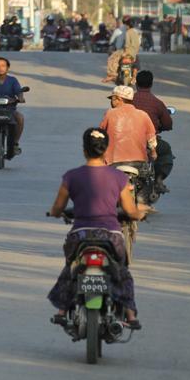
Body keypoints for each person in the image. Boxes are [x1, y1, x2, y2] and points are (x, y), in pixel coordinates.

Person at [47, 128, 145, 329]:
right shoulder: (119, 178)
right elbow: (130, 210)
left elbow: (58, 208)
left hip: (80, 235)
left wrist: (56, 213)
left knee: (71, 268)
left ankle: (62, 311)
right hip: (110, 235)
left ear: (84, 150)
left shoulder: (71, 177)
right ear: (105, 150)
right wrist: (141, 212)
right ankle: (130, 314)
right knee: (122, 271)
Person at [132, 71, 174, 193]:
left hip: (127, 140)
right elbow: (168, 124)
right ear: (151, 84)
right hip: (148, 142)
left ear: (136, 84)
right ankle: (158, 180)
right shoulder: (157, 103)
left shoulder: (128, 101)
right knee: (166, 150)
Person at [98, 85, 157, 166]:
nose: (111, 102)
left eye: (112, 99)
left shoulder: (110, 113)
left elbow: (100, 135)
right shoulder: (143, 115)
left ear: (119, 99)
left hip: (113, 161)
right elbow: (151, 139)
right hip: (139, 162)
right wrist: (153, 152)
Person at [104, 18, 141, 82]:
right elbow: (139, 43)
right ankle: (134, 75)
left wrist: (125, 53)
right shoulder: (137, 32)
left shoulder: (126, 32)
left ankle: (112, 75)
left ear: (127, 25)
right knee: (136, 64)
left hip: (125, 52)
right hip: (135, 52)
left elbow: (126, 45)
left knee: (111, 59)